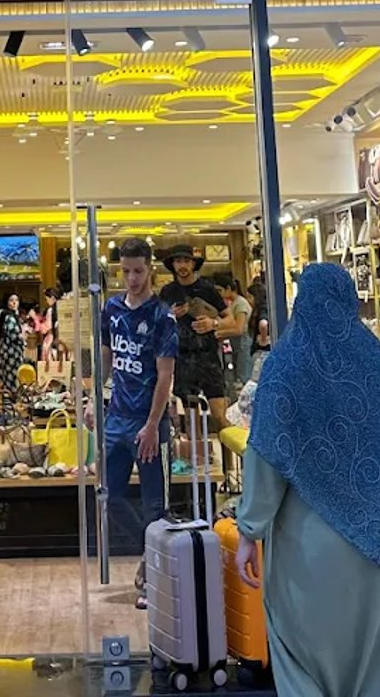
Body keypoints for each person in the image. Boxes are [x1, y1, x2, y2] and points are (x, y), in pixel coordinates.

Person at [234, 263, 380, 697]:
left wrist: (250, 530)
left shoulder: (285, 370)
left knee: (303, 671)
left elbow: (266, 457)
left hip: (310, 556)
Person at [102, 236, 178, 611]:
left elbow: (165, 377)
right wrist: (91, 399)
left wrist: (152, 423)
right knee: (110, 497)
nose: (132, 279)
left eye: (138, 271)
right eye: (126, 271)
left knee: (154, 507)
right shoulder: (111, 308)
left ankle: (155, 576)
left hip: (149, 424)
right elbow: (106, 358)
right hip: (115, 419)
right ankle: (148, 554)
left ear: (149, 269)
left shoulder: (163, 317)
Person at [159, 245, 237, 426]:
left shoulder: (207, 289)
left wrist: (213, 323)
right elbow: (158, 326)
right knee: (191, 420)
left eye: (186, 261)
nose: (182, 265)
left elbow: (231, 320)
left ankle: (232, 453)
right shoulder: (167, 292)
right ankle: (197, 454)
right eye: (178, 261)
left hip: (208, 357)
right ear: (173, 265)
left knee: (220, 416)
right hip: (183, 358)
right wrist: (171, 316)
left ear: (193, 264)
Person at [215, 272, 255, 386]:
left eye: (219, 290)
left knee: (243, 379)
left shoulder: (240, 304)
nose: (218, 294)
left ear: (228, 289)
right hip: (237, 345)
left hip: (243, 345)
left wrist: (218, 333)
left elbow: (239, 329)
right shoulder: (233, 304)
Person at [0, 290, 27, 391]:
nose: (14, 303)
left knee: (7, 376)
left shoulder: (7, 315)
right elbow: (14, 336)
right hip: (11, 353)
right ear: (7, 302)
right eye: (11, 300)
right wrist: (23, 339)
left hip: (7, 351)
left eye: (16, 300)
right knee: (12, 377)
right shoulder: (10, 317)